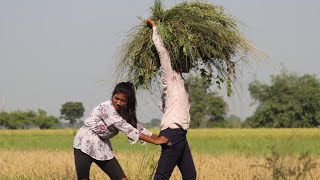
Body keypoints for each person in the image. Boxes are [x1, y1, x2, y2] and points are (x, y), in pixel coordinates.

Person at [73, 82, 169, 180]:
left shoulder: (123, 111)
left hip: (101, 145)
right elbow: (128, 129)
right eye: (116, 98)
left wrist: (157, 137)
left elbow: (136, 127)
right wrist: (156, 141)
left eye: (123, 101)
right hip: (84, 144)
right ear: (112, 96)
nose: (118, 103)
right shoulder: (107, 108)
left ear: (128, 102)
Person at [146, 19, 197, 180]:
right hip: (172, 134)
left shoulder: (181, 81)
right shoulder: (170, 76)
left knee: (190, 176)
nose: (190, 64)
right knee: (162, 176)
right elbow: (163, 52)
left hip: (180, 134)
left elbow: (164, 105)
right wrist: (154, 28)